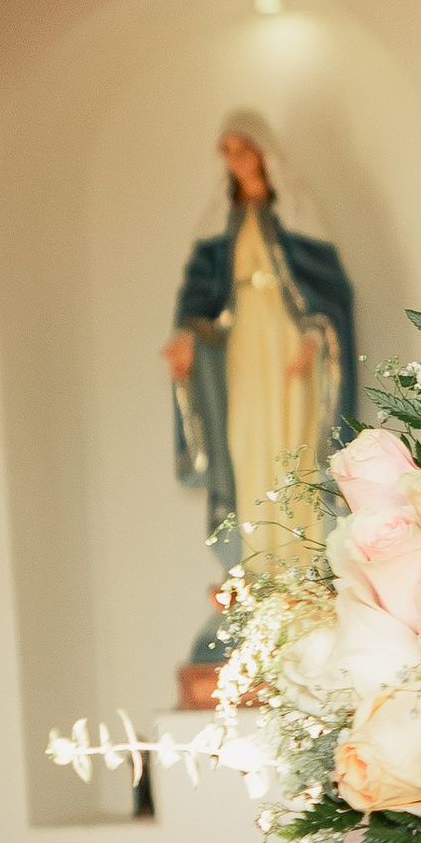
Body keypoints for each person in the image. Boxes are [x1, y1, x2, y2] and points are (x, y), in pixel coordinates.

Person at [162, 112, 358, 582]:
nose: (235, 161)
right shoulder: (219, 228)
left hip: (289, 342)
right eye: (226, 153)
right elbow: (200, 295)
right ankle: (258, 562)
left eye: (242, 150)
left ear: (264, 154)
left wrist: (315, 336)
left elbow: (329, 293)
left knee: (295, 436)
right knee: (247, 441)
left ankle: (303, 559)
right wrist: (188, 337)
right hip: (242, 346)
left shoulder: (298, 217)